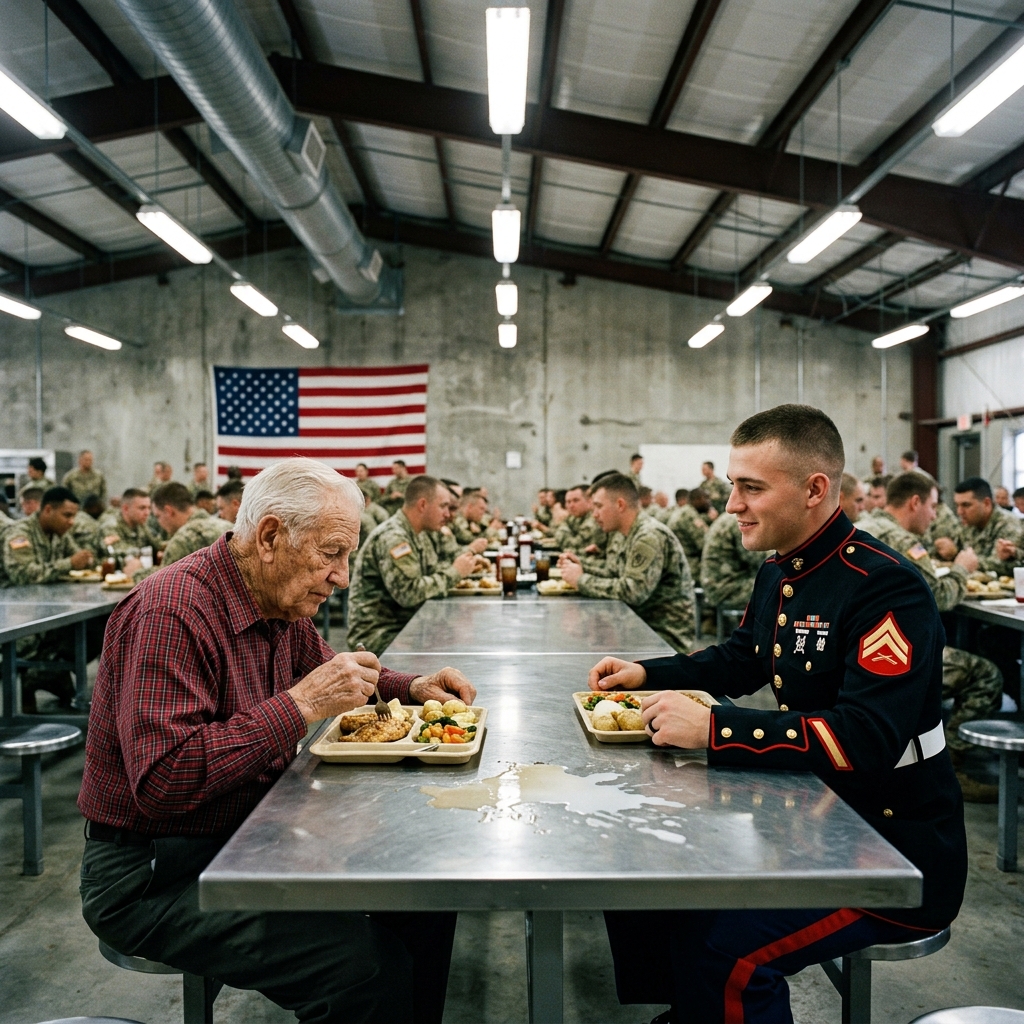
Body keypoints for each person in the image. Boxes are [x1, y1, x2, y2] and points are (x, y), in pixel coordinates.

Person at [586, 404, 967, 1024]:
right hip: (818, 815)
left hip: (893, 845)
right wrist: (650, 673)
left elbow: (865, 738)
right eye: (734, 484)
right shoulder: (781, 570)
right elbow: (742, 659)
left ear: (816, 489)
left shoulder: (884, 586)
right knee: (660, 884)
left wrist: (715, 728)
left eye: (751, 487)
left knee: (729, 953)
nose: (732, 503)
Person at [78, 458, 474, 1024]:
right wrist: (301, 705)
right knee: (362, 969)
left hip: (241, 833)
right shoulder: (172, 612)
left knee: (425, 894)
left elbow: (328, 667)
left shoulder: (274, 597)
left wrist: (410, 687)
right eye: (331, 552)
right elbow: (164, 783)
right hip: (153, 870)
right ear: (269, 537)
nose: (342, 576)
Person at [857, 472, 1002, 801]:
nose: (936, 516)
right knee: (986, 674)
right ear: (915, 502)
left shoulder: (863, 526)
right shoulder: (903, 540)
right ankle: (951, 765)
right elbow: (938, 596)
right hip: (889, 655)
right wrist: (962, 567)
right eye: (934, 506)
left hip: (857, 647)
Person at [558, 474, 694, 652]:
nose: (595, 514)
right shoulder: (624, 533)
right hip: (636, 623)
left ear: (620, 505)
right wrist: (581, 565)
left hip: (662, 636)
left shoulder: (648, 536)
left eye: (599, 506)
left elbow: (633, 591)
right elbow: (613, 572)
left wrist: (581, 580)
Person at [347, 476, 477, 655]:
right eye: (443, 506)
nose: (448, 514)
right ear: (422, 505)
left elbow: (431, 572)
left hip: (408, 624)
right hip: (381, 635)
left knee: (461, 637)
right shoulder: (394, 537)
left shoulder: (419, 533)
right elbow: (409, 593)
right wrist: (455, 572)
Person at [2, 487, 104, 711]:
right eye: (67, 515)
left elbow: (79, 555)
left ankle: (52, 673)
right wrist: (69, 564)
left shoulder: (59, 535)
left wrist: (85, 560)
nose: (71, 522)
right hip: (17, 618)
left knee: (99, 624)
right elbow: (22, 574)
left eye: (74, 516)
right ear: (48, 510)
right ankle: (40, 676)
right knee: (85, 630)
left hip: (48, 608)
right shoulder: (20, 534)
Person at [124, 483, 230, 583]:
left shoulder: (183, 539)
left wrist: (135, 572)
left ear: (168, 511)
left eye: (158, 516)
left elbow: (164, 581)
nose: (159, 522)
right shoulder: (228, 527)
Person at [931, 477, 1022, 572]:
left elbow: (1003, 565)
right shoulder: (968, 523)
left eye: (966, 505)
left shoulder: (1008, 523)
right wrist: (948, 550)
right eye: (957, 505)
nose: (959, 512)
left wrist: (959, 557)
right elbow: (955, 549)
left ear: (986, 503)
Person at [699, 512, 766, 614]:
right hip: (725, 589)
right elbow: (758, 558)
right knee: (774, 586)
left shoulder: (729, 519)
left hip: (718, 584)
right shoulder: (740, 523)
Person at [97, 489, 157, 556]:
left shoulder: (141, 524)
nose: (147, 513)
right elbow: (115, 551)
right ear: (126, 509)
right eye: (142, 508)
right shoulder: (110, 526)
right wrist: (144, 552)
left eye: (149, 508)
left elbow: (156, 544)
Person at [666, 489, 708, 583]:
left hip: (677, 562)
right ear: (697, 499)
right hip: (688, 564)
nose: (708, 502)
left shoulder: (684, 511)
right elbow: (705, 546)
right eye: (706, 498)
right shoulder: (689, 515)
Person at [553, 485, 607, 558]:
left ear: (589, 501)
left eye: (576, 500)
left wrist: (562, 523)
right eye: (568, 502)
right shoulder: (576, 517)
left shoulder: (593, 519)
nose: (571, 505)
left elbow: (571, 545)